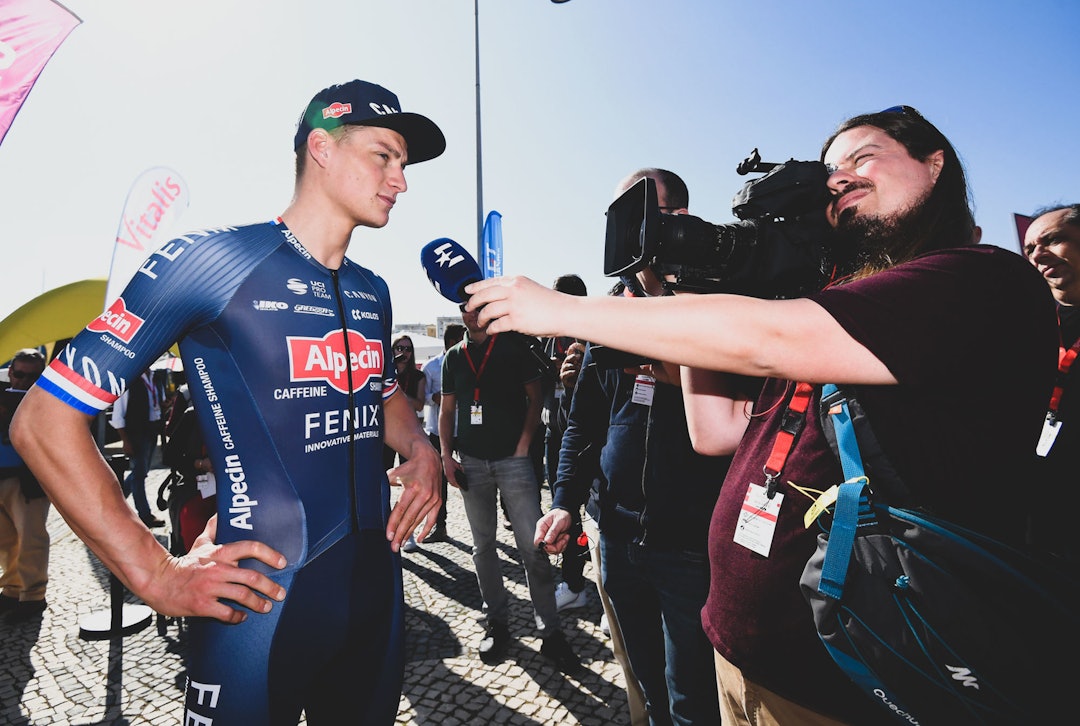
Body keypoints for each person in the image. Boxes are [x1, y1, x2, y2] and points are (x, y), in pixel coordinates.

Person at [467, 106, 1059, 724]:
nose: (840, 179)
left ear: (935, 165)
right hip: (745, 655)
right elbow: (713, 429)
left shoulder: (983, 279)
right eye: (831, 170)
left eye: (864, 158)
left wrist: (558, 310)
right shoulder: (836, 306)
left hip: (847, 677)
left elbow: (768, 337)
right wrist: (696, 282)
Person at [12, 79, 443, 726]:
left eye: (404, 164)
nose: (400, 180)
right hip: (260, 607)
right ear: (320, 148)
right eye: (385, 155)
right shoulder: (212, 261)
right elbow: (44, 422)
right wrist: (155, 576)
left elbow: (383, 398)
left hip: (375, 599)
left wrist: (420, 448)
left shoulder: (371, 290)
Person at [536, 169, 745, 726]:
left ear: (675, 218)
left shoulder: (720, 298)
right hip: (617, 536)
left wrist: (672, 355)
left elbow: (750, 406)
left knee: (693, 698)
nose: (624, 228)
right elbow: (582, 424)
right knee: (646, 685)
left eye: (637, 212)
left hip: (690, 546)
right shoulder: (610, 311)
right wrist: (563, 500)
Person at [439, 304, 579, 672]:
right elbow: (447, 410)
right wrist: (445, 456)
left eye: (477, 310)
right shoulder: (454, 356)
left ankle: (550, 633)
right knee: (482, 547)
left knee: (533, 547)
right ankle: (496, 624)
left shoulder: (513, 348)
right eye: (464, 311)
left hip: (513, 462)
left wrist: (522, 447)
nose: (471, 316)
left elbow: (536, 399)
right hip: (470, 461)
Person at [1023, 203, 1080, 563]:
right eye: (1029, 249)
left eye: (1053, 240)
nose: (1038, 255)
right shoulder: (1024, 321)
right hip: (1034, 501)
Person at [539, 274, 590, 611]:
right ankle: (574, 581)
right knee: (562, 507)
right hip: (552, 436)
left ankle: (576, 582)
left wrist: (569, 378)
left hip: (583, 436)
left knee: (580, 510)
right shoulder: (547, 342)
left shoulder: (589, 339)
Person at [0, 349, 49, 622]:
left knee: (31, 537)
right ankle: (12, 587)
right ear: (11, 373)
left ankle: (32, 596)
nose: (24, 380)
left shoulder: (48, 400)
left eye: (33, 376)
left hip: (28, 479)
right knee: (6, 541)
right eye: (19, 374)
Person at [417, 323, 465, 545]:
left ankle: (481, 526)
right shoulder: (430, 366)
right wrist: (434, 398)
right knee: (439, 481)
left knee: (473, 477)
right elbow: (423, 397)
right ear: (452, 342)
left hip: (464, 429)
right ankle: (440, 525)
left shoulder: (468, 363)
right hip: (437, 430)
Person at [384, 333, 427, 554]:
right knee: (382, 481)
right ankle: (384, 526)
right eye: (399, 347)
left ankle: (407, 531)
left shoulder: (418, 377)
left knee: (409, 484)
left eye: (408, 348)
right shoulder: (385, 374)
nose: (404, 352)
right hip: (386, 435)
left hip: (410, 435)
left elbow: (419, 405)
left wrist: (394, 393)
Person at [110, 367, 165, 528]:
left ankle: (114, 503)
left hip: (152, 429)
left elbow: (156, 403)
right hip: (136, 433)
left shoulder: (156, 377)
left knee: (139, 472)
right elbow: (118, 415)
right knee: (139, 475)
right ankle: (145, 515)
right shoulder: (129, 378)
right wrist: (125, 440)